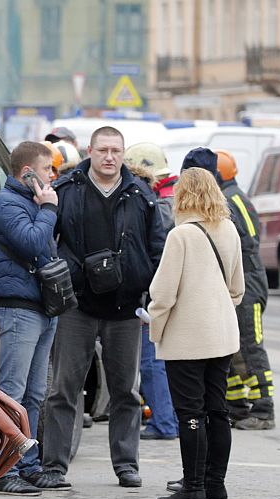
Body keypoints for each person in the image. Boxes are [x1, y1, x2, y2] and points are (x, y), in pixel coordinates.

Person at [41, 126, 166, 488]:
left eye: (115, 151)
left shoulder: (140, 195)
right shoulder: (67, 190)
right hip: (76, 306)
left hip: (125, 308)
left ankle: (126, 464)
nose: (109, 157)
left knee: (125, 392)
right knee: (64, 389)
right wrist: (60, 279)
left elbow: (157, 248)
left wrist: (149, 293)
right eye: (102, 150)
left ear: (122, 154)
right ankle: (54, 466)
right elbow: (47, 238)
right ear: (90, 152)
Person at [148, 166, 244, 499]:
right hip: (222, 334)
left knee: (190, 412)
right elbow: (237, 288)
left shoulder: (181, 235)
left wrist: (155, 326)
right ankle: (215, 486)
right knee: (218, 411)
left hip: (187, 337)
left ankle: (193, 487)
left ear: (183, 195)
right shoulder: (229, 229)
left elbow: (163, 293)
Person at [0, 141, 66, 495]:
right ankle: (4, 470)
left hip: (42, 307)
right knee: (12, 395)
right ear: (28, 173)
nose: (53, 177)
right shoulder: (6, 204)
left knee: (34, 394)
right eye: (48, 170)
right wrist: (48, 209)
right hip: (18, 308)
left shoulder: (29, 202)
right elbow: (32, 243)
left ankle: (27, 463)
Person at [216, 149, 276, 431]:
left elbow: (241, 245)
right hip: (244, 279)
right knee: (234, 349)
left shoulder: (230, 200)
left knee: (250, 347)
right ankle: (238, 407)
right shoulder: (234, 195)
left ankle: (264, 410)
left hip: (247, 283)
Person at [124, 142, 179, 441]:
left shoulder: (157, 207)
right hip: (168, 294)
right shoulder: (174, 200)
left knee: (151, 361)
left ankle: (164, 423)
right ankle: (171, 419)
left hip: (154, 296)